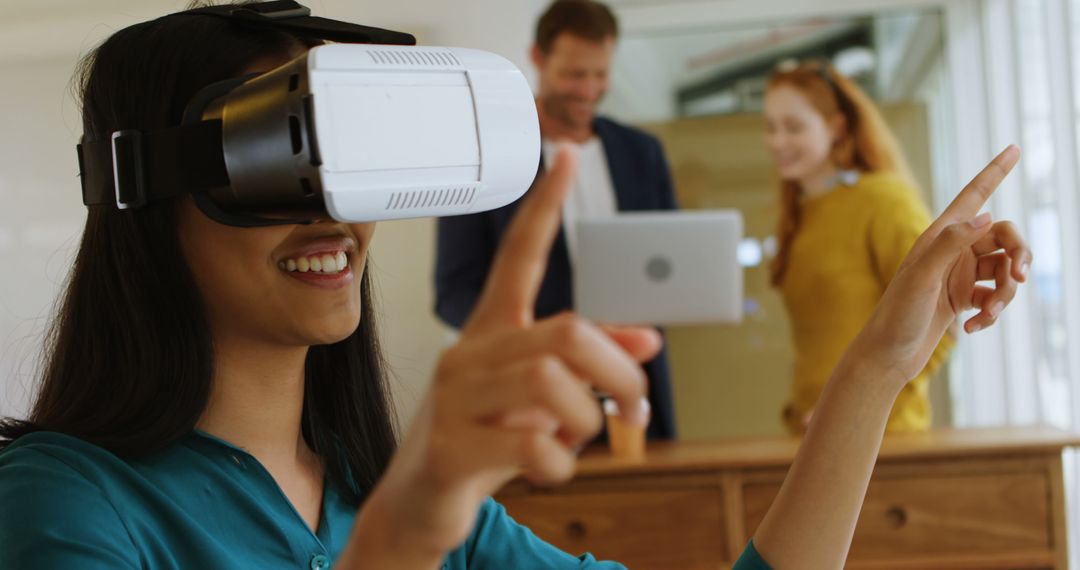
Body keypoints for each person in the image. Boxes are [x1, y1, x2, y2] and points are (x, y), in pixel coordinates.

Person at [0, 3, 1031, 569]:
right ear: (152, 186)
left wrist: (877, 365)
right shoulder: (66, 505)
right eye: (282, 156)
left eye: (352, 157)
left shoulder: (409, 507)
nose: (334, 213)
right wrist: (412, 530)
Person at [434, 0, 680, 441]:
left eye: (599, 74)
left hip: (637, 390)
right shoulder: (484, 155)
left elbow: (671, 268)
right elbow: (453, 293)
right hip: (532, 396)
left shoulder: (644, 153)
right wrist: (533, 341)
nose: (588, 90)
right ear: (537, 58)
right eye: (573, 75)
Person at [763, 61, 955, 434]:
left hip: (882, 437)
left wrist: (862, 406)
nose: (777, 141)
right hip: (809, 433)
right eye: (770, 127)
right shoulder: (799, 214)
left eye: (793, 126)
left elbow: (940, 321)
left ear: (835, 127)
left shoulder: (884, 200)